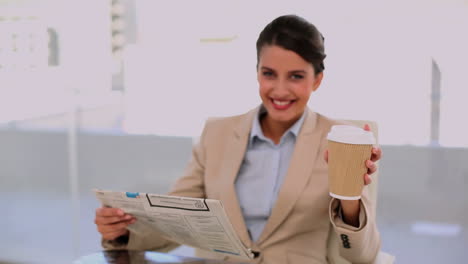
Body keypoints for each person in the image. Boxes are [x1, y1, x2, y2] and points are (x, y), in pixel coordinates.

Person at [94, 14, 382, 264]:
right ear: (257, 73)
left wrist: (350, 198)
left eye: (295, 76)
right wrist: (123, 231)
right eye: (269, 74)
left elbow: (362, 256)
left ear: (317, 80)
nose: (280, 90)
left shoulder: (342, 141)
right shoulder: (217, 134)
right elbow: (176, 218)